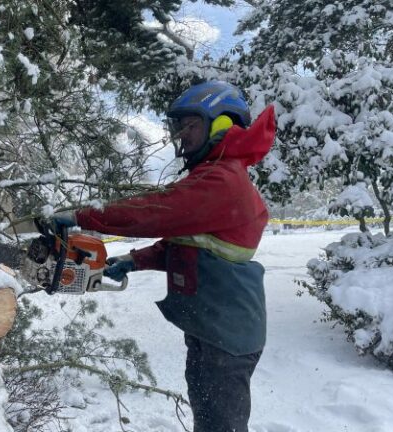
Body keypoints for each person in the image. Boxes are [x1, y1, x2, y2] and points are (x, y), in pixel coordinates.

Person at [50, 81, 276, 432]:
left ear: (221, 124)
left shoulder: (223, 180)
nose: (181, 135)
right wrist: (134, 260)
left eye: (191, 125)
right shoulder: (212, 176)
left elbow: (156, 210)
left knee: (221, 425)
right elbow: (186, 243)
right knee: (208, 418)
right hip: (212, 330)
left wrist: (83, 215)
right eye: (178, 127)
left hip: (227, 337)